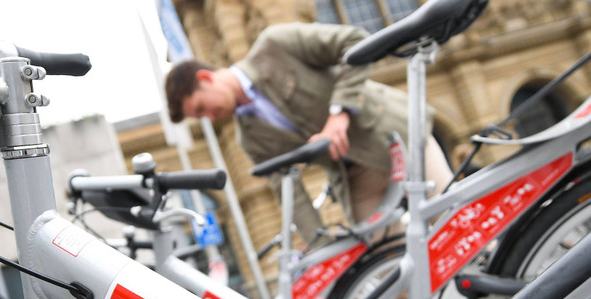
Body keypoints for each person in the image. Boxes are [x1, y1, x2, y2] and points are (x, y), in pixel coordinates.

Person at [165, 22, 452, 245]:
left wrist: (339, 112)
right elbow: (289, 192)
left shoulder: (274, 45)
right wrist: (319, 244)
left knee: (459, 224)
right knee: (385, 270)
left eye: (203, 107)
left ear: (205, 78)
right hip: (355, 177)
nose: (210, 117)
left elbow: (355, 41)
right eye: (201, 117)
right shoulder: (249, 138)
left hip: (397, 137)